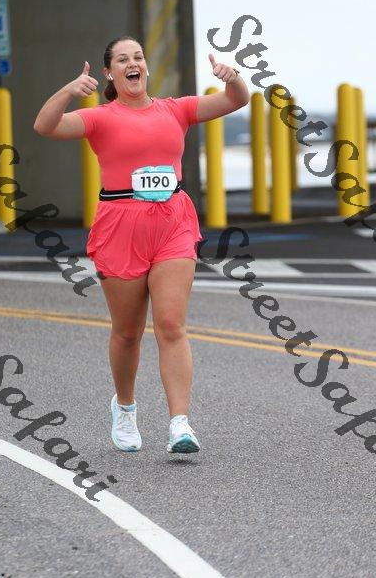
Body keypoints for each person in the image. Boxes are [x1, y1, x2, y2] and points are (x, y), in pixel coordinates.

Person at [33, 35, 250, 454]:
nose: (132, 63)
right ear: (110, 74)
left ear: (145, 67)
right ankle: (125, 407)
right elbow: (45, 126)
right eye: (122, 60)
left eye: (138, 57)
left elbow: (235, 99)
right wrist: (69, 90)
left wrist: (232, 76)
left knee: (170, 324)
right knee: (128, 332)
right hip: (120, 226)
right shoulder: (99, 118)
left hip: (172, 222)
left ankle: (180, 424)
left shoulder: (176, 109)